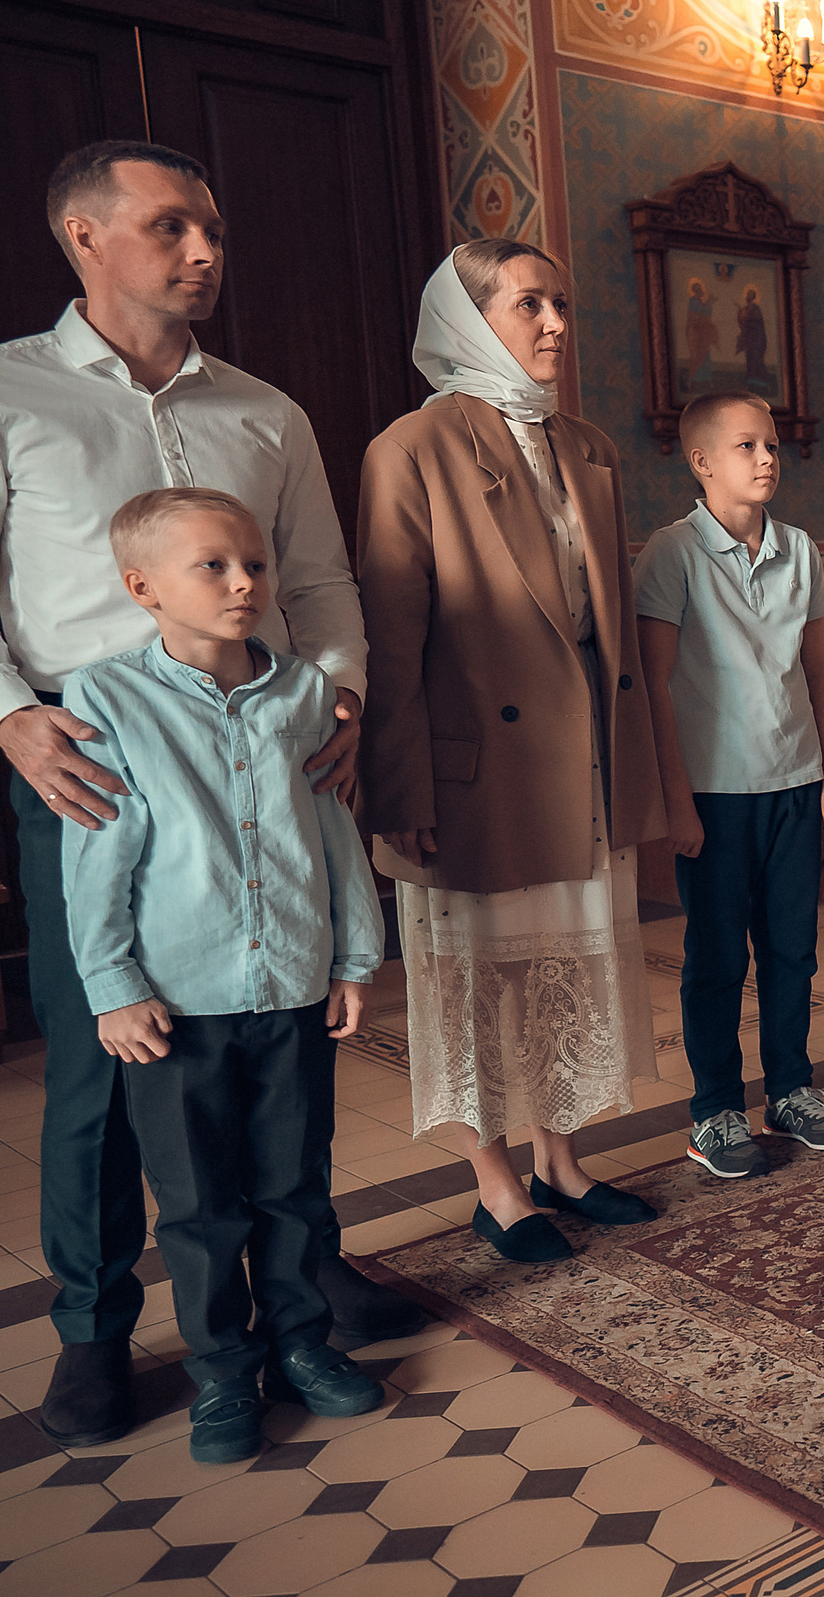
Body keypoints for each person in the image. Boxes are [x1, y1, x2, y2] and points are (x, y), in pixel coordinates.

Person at [0, 140, 421, 1450]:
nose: (204, 252)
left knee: (279, 1044)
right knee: (107, 1052)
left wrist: (339, 695)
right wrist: (8, 713)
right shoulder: (7, 390)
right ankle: (94, 1326)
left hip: (268, 734)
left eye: (215, 231)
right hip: (86, 753)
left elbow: (322, 579)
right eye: (173, 226)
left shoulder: (265, 412)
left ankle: (300, 1285)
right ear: (82, 234)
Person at [62, 488, 388, 1464]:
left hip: (291, 986)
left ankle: (302, 1344)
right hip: (176, 1005)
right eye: (214, 565)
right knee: (201, 1206)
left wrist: (353, 957)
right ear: (144, 587)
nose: (245, 582)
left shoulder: (304, 693)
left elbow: (333, 829)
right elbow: (98, 854)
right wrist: (113, 984)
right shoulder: (106, 698)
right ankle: (222, 1371)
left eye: (254, 562)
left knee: (294, 1185)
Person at [359, 240, 665, 1263]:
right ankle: (496, 1188)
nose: (558, 324)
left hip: (579, 757)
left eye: (562, 303)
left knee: (566, 969)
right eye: (531, 303)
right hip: (476, 770)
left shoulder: (588, 445)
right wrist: (399, 788)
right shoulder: (412, 446)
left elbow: (605, 627)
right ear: (467, 317)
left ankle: (560, 1164)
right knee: (481, 986)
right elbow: (391, 639)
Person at [635, 391, 824, 1179]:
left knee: (793, 951)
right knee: (718, 957)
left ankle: (790, 1089)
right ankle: (715, 1111)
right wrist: (678, 801)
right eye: (746, 446)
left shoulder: (800, 549)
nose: (767, 458)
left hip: (795, 785)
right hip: (714, 796)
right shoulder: (671, 554)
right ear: (701, 461)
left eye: (771, 445)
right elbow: (655, 686)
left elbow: (818, 672)